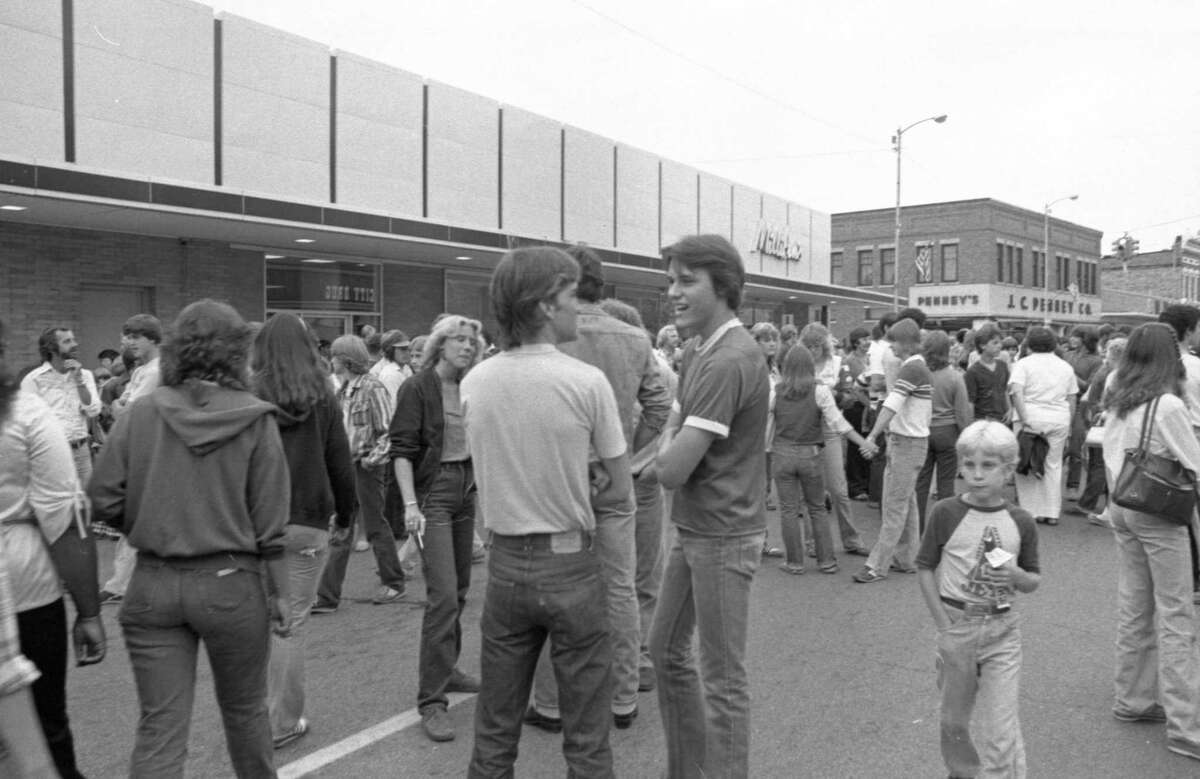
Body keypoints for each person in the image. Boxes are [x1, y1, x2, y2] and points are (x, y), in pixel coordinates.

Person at [88, 299, 291, 778]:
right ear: (236, 353)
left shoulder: (141, 414)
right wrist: (280, 591)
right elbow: (270, 523)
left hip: (153, 581)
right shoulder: (256, 419)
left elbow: (102, 495)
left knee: (160, 727)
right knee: (246, 714)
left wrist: (146, 523)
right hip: (231, 582)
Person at [463, 247, 629, 777]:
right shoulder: (585, 382)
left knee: (494, 732)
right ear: (541, 306)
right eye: (569, 296)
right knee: (586, 739)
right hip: (570, 564)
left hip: (507, 563)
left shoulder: (475, 382)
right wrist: (586, 482)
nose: (577, 307)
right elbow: (620, 491)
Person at [527, 245, 671, 734]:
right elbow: (660, 403)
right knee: (619, 588)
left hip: (556, 481)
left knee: (551, 588)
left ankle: (549, 703)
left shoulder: (544, 335)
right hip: (615, 480)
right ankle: (624, 696)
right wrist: (631, 457)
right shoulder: (632, 337)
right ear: (601, 285)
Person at [651, 234, 770, 779]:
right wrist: (665, 445)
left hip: (722, 535)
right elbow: (668, 435)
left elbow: (671, 469)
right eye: (670, 280)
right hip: (698, 528)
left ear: (722, 286)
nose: (672, 292)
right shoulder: (700, 347)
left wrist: (664, 448)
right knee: (666, 650)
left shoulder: (729, 357)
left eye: (685, 280)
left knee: (723, 680)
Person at [1, 320, 105, 779]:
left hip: (22, 575)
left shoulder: (60, 389)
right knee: (44, 722)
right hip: (23, 584)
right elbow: (64, 520)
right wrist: (88, 611)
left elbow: (94, 411)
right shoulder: (24, 407)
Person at [251, 313, 357, 749]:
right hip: (307, 520)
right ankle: (282, 721)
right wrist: (347, 517)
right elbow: (340, 461)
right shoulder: (323, 396)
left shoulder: (248, 394)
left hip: (254, 522)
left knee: (257, 620)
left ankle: (253, 717)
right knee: (291, 622)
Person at [916, 420, 1041, 778]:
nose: (977, 474)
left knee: (1001, 731)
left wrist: (1017, 576)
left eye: (988, 466)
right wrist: (943, 625)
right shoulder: (945, 512)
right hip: (958, 627)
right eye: (969, 465)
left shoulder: (1021, 522)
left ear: (1008, 469)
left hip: (1003, 633)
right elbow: (925, 567)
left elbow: (1033, 580)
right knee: (954, 724)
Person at [1100, 322, 1200, 762]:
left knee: (1135, 607)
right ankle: (1186, 726)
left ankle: (1134, 698)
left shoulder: (1119, 399)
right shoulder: (1168, 405)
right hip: (1158, 511)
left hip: (1123, 504)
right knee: (1177, 613)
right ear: (1169, 358)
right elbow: (1194, 463)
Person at [390, 315, 486, 743]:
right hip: (434, 494)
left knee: (461, 589)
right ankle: (431, 700)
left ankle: (448, 670)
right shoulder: (418, 386)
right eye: (459, 340)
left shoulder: (474, 385)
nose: (467, 346)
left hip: (467, 487)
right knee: (443, 595)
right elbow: (402, 451)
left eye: (472, 341)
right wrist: (411, 505)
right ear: (440, 344)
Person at [314, 335, 407, 611]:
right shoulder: (343, 390)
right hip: (348, 467)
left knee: (376, 526)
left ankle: (394, 583)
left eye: (334, 356)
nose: (331, 360)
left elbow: (389, 432)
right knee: (342, 528)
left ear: (345, 360)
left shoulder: (371, 388)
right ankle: (328, 596)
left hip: (365, 467)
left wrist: (371, 460)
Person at [772, 344, 876, 575]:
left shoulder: (775, 391)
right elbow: (839, 423)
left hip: (782, 453)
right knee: (817, 508)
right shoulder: (819, 391)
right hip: (810, 454)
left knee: (789, 510)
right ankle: (826, 561)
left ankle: (795, 563)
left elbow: (766, 427)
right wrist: (864, 441)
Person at [855, 318, 933, 582]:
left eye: (895, 343)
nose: (892, 349)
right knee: (906, 504)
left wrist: (873, 435)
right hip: (910, 443)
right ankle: (906, 558)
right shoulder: (917, 368)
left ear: (906, 343)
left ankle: (877, 565)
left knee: (894, 507)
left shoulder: (911, 370)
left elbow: (892, 405)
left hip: (906, 444)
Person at [100, 314, 163, 605]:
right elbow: (119, 406)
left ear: (152, 338)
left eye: (137, 337)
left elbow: (125, 411)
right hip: (139, 449)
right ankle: (123, 582)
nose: (129, 342)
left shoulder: (155, 371)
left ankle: (122, 584)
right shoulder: (141, 371)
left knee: (138, 516)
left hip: (149, 452)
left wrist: (120, 407)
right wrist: (119, 407)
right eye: (128, 336)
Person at [801, 322, 870, 557]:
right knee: (811, 491)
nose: (814, 350)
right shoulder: (800, 365)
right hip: (805, 430)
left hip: (830, 427)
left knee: (839, 490)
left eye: (818, 345)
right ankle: (811, 542)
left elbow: (850, 398)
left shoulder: (838, 364)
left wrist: (831, 394)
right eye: (809, 346)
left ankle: (851, 539)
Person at [1008, 326, 1077, 526]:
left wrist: (1023, 417)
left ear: (1029, 344)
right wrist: (1069, 422)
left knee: (1027, 463)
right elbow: (1072, 397)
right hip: (1059, 418)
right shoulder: (1065, 366)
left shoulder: (1023, 364)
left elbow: (1016, 392)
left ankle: (1031, 511)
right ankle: (1052, 511)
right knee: (1053, 465)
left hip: (1030, 417)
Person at [21, 328, 101, 485]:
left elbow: (93, 410)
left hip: (82, 451)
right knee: (57, 504)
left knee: (85, 504)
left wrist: (79, 381)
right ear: (51, 348)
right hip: (51, 453)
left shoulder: (85, 375)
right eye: (67, 341)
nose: (75, 344)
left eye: (73, 339)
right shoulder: (34, 379)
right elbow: (25, 421)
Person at [915, 331, 973, 532]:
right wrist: (966, 436)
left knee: (920, 485)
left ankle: (917, 529)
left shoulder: (921, 374)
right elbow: (962, 413)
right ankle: (945, 530)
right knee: (946, 484)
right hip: (947, 432)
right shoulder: (955, 377)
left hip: (923, 430)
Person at [1077, 337, 1126, 525]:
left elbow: (1106, 401)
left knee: (1104, 466)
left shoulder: (1113, 375)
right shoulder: (1132, 375)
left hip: (1110, 424)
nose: (1105, 355)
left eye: (1108, 352)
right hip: (1122, 427)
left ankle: (1106, 510)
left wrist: (1100, 412)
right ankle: (1109, 510)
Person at [751, 322, 784, 555]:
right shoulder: (751, 368)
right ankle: (751, 541)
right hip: (752, 439)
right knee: (753, 491)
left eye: (774, 338)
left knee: (763, 492)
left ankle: (760, 541)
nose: (772, 342)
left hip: (770, 439)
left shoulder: (774, 370)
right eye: (766, 339)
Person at [1063, 327, 1103, 493]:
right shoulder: (1067, 355)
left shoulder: (1096, 361)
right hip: (1062, 402)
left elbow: (1089, 386)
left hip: (1081, 405)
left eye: (1078, 337)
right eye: (1072, 335)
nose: (1073, 339)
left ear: (1086, 340)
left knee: (1075, 446)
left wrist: (1070, 373)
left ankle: (1072, 485)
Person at [842, 327, 873, 502]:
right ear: (855, 342)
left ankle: (867, 483)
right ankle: (855, 486)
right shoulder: (851, 361)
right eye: (863, 339)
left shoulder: (869, 358)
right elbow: (860, 386)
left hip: (869, 407)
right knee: (856, 447)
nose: (867, 341)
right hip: (856, 408)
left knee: (867, 445)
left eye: (868, 338)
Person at [964, 323, 1010, 423]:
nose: (1000, 346)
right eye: (995, 343)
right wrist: (971, 424)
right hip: (982, 421)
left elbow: (1005, 389)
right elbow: (970, 401)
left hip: (1002, 419)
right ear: (982, 345)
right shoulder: (973, 372)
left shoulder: (1003, 366)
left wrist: (1009, 409)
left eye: (1000, 342)